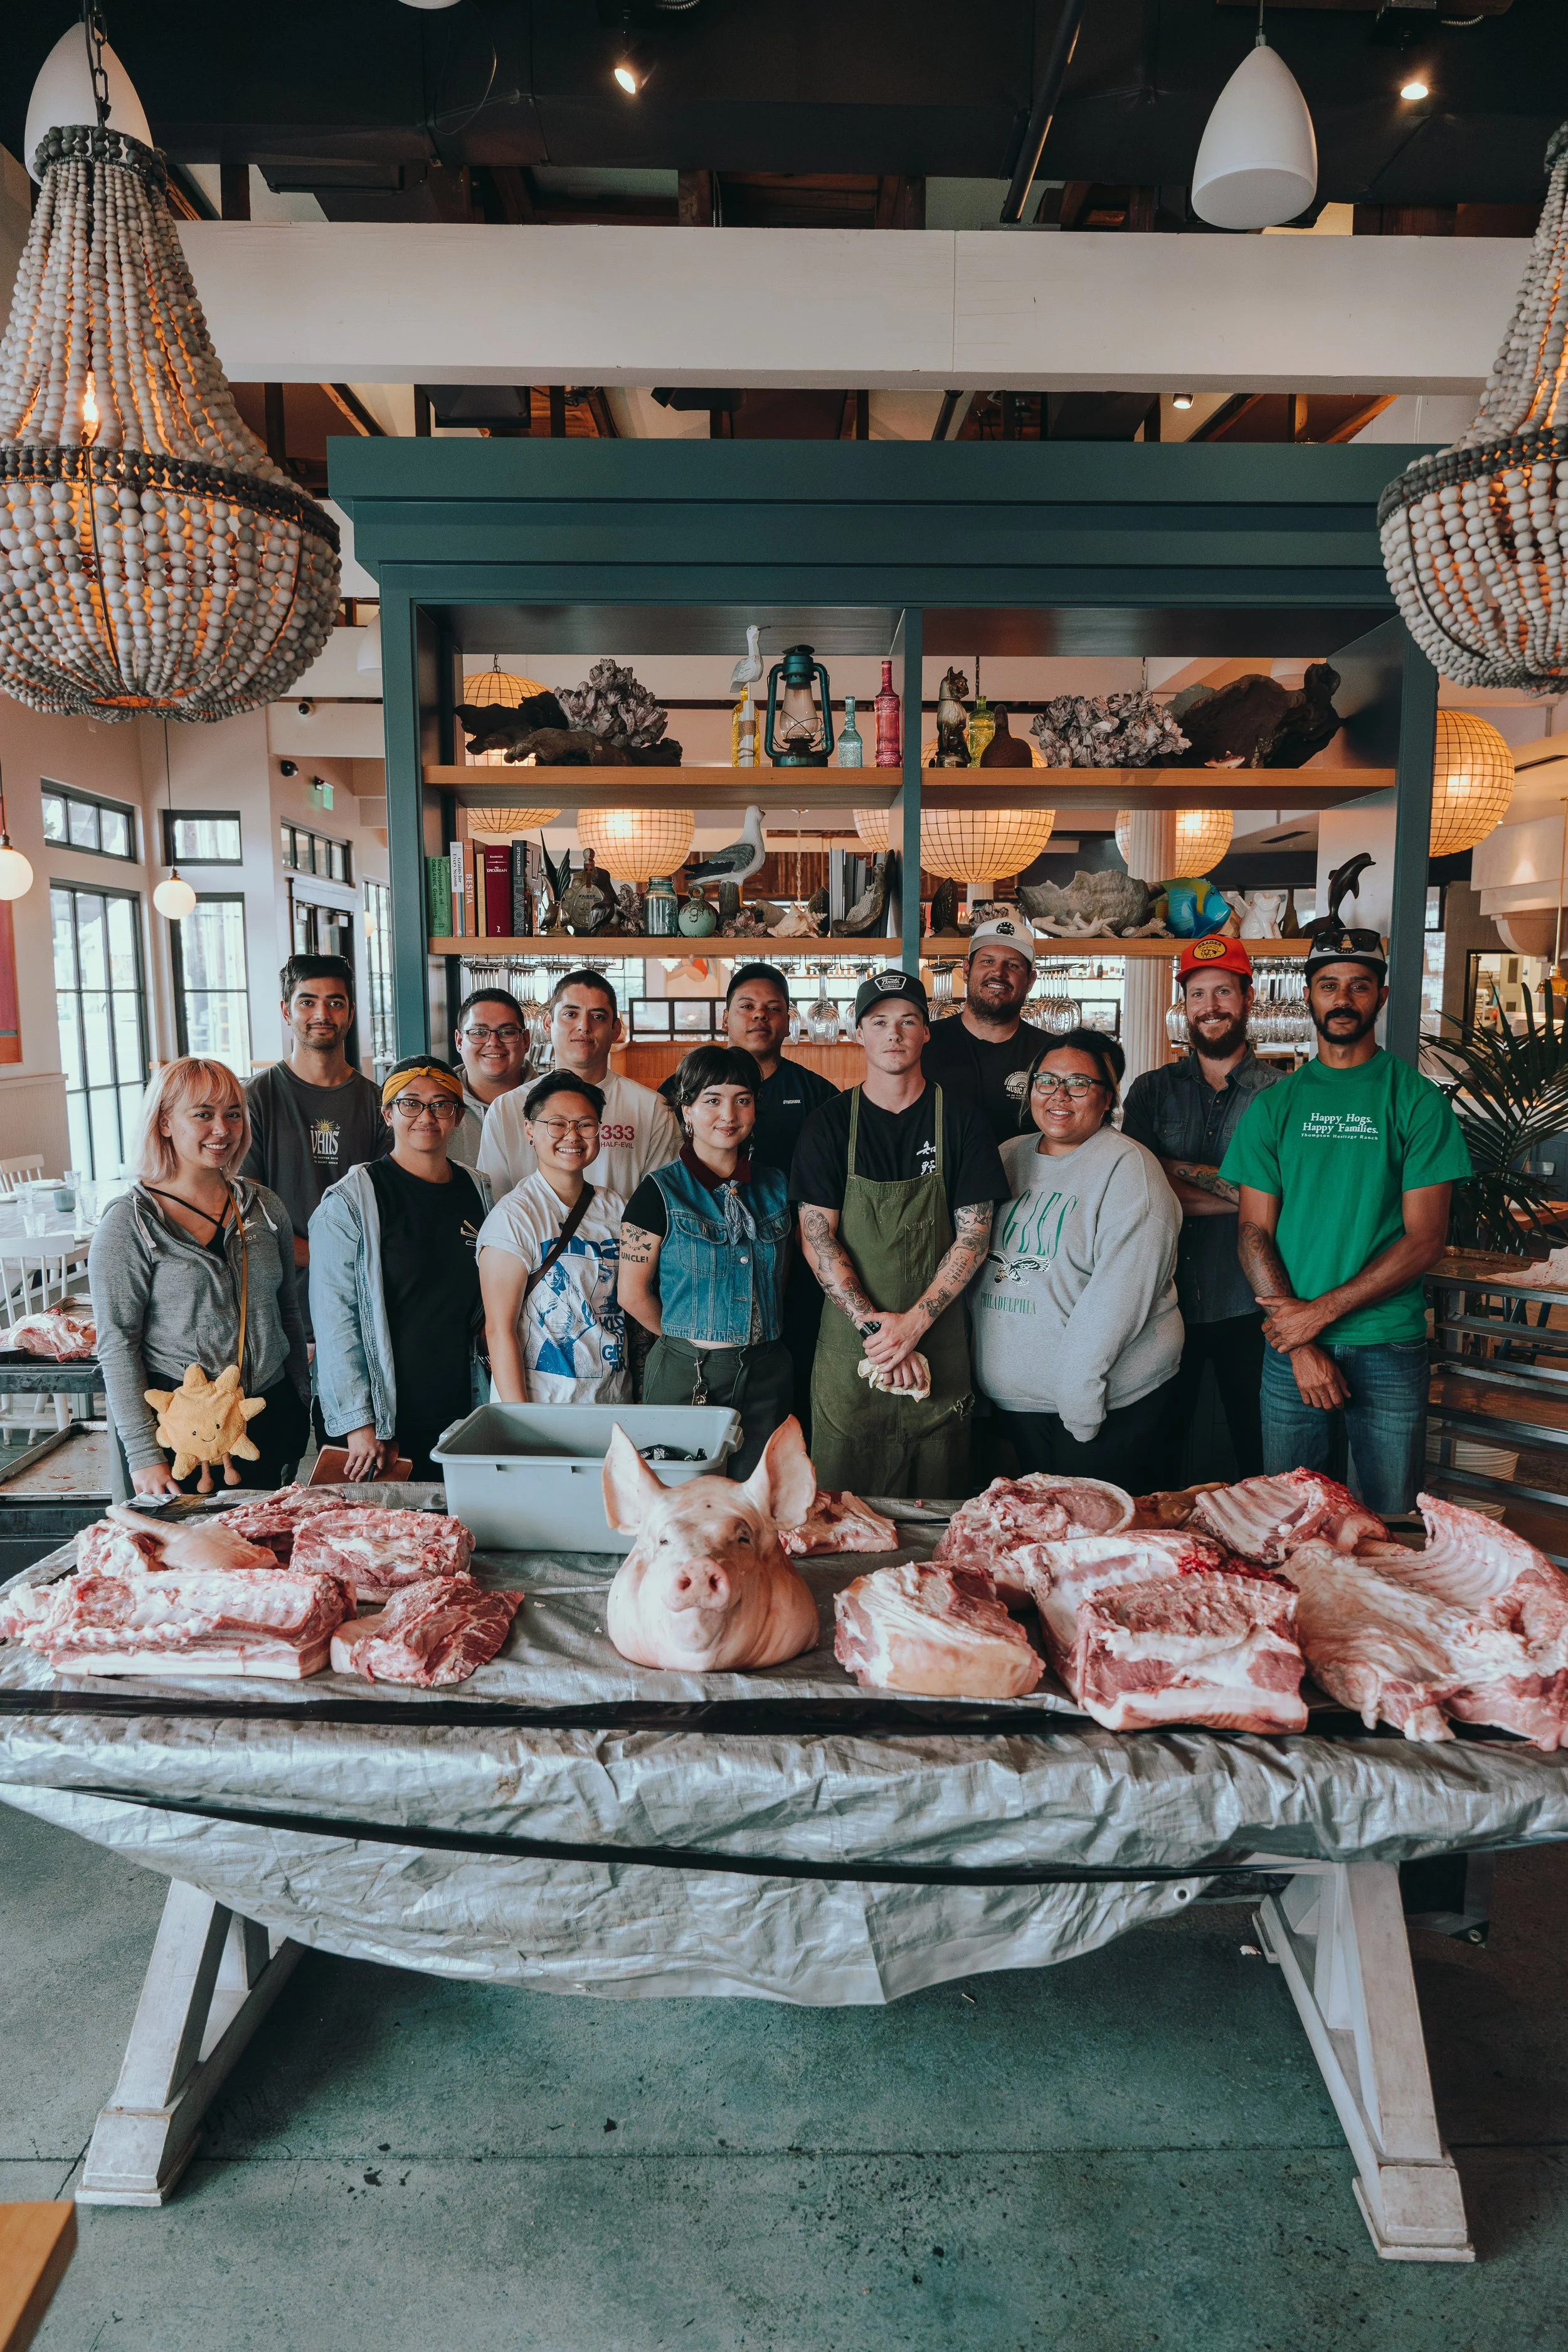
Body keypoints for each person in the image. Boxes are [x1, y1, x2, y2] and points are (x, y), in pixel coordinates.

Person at [1221, 927, 1472, 1515]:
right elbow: (1252, 1233)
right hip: (1292, 1353)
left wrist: (1318, 1315)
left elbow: (1426, 1239)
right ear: (1309, 996)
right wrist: (1301, 1342)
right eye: (1328, 985)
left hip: (1388, 1344)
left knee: (1386, 1522)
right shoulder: (1275, 1106)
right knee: (1289, 1520)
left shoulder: (1416, 1101)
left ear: (1381, 997)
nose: (1343, 998)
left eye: (1359, 986)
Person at [791, 970, 1007, 1498]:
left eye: (909, 1020)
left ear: (926, 1033)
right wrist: (879, 1336)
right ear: (859, 1032)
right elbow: (818, 1240)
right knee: (841, 1514)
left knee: (938, 1515)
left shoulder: (962, 1121)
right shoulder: (829, 1123)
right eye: (880, 1021)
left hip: (939, 1346)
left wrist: (911, 1328)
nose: (895, 1033)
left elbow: (974, 1239)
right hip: (851, 1351)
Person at [88, 1058, 310, 1495]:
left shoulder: (263, 1206)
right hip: (178, 1431)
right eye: (203, 1115)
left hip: (266, 1410)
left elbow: (287, 1308)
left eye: (233, 1113)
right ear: (166, 1122)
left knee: (266, 1552)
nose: (223, 1130)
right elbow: (117, 1343)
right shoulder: (131, 1222)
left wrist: (301, 1398)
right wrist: (142, 1453)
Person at [973, 1028, 1183, 1490]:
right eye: (1046, 1081)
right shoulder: (1009, 1156)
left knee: (1090, 1547)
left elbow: (1117, 1302)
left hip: (1098, 1410)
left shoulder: (1129, 1169)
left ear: (1108, 1098)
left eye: (1079, 1083)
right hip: (1016, 1408)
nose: (1059, 1095)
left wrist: (1081, 1409)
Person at [1121, 938, 1283, 1480]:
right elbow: (1138, 1187)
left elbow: (1292, 1194)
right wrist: (1254, 1199)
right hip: (1163, 1303)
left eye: (1222, 992)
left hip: (1253, 1306)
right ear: (1183, 1004)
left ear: (1248, 998)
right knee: (1156, 1458)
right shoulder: (1151, 1091)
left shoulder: (1284, 1096)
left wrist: (1172, 1171)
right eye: (1197, 994)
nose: (1210, 1006)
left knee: (1260, 1457)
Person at [309, 1057, 490, 1480]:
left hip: (459, 1406)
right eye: (411, 1104)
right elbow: (335, 1320)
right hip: (381, 1419)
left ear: (458, 1117)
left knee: (454, 1535)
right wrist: (360, 1424)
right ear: (388, 1114)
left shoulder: (478, 1191)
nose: (426, 1117)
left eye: (441, 1105)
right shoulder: (350, 1202)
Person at [680, 962, 838, 1440]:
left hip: (796, 1265)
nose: (760, 1017)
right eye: (746, 1006)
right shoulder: (688, 1088)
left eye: (774, 1008)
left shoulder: (818, 1096)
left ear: (790, 1021)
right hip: (709, 1268)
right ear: (725, 1018)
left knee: (791, 1393)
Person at [620, 1046, 793, 1480]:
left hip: (767, 1372)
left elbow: (780, 1278)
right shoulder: (658, 1192)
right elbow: (632, 1293)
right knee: (683, 1509)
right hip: (689, 1376)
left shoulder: (776, 1186)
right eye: (712, 1100)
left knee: (758, 1507)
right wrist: (689, 1344)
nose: (728, 1114)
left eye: (742, 1099)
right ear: (688, 1111)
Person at [477, 1071, 630, 1406]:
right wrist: (524, 1423)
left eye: (585, 1124)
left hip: (613, 1403)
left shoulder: (617, 1207)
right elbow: (499, 1331)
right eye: (557, 1124)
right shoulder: (514, 1217)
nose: (572, 1136)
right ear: (530, 1131)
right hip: (545, 1408)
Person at [241, 956, 387, 1296]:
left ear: (351, 1013)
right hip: (279, 1299)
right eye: (307, 1002)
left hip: (359, 1293)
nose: (322, 1014)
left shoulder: (379, 1103)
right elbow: (246, 1208)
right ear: (286, 1010)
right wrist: (324, 1256)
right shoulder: (254, 1098)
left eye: (335, 1003)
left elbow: (387, 1203)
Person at [478, 968, 680, 1202]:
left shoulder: (653, 1109)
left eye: (598, 1017)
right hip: (526, 1239)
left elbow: (659, 1204)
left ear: (615, 1030)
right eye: (570, 1014)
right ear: (548, 1023)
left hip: (622, 1238)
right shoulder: (506, 1108)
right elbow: (495, 1202)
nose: (584, 1026)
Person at [920, 917, 1052, 1147]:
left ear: (1030, 980)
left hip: (1024, 1181)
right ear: (967, 969)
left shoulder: (1051, 1054)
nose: (998, 973)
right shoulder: (924, 1043)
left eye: (1013, 965)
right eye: (987, 961)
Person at [449, 986, 532, 1168]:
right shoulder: (437, 1108)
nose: (494, 1042)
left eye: (507, 1032)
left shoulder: (554, 1102)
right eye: (479, 1033)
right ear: (459, 1041)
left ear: (526, 1040)